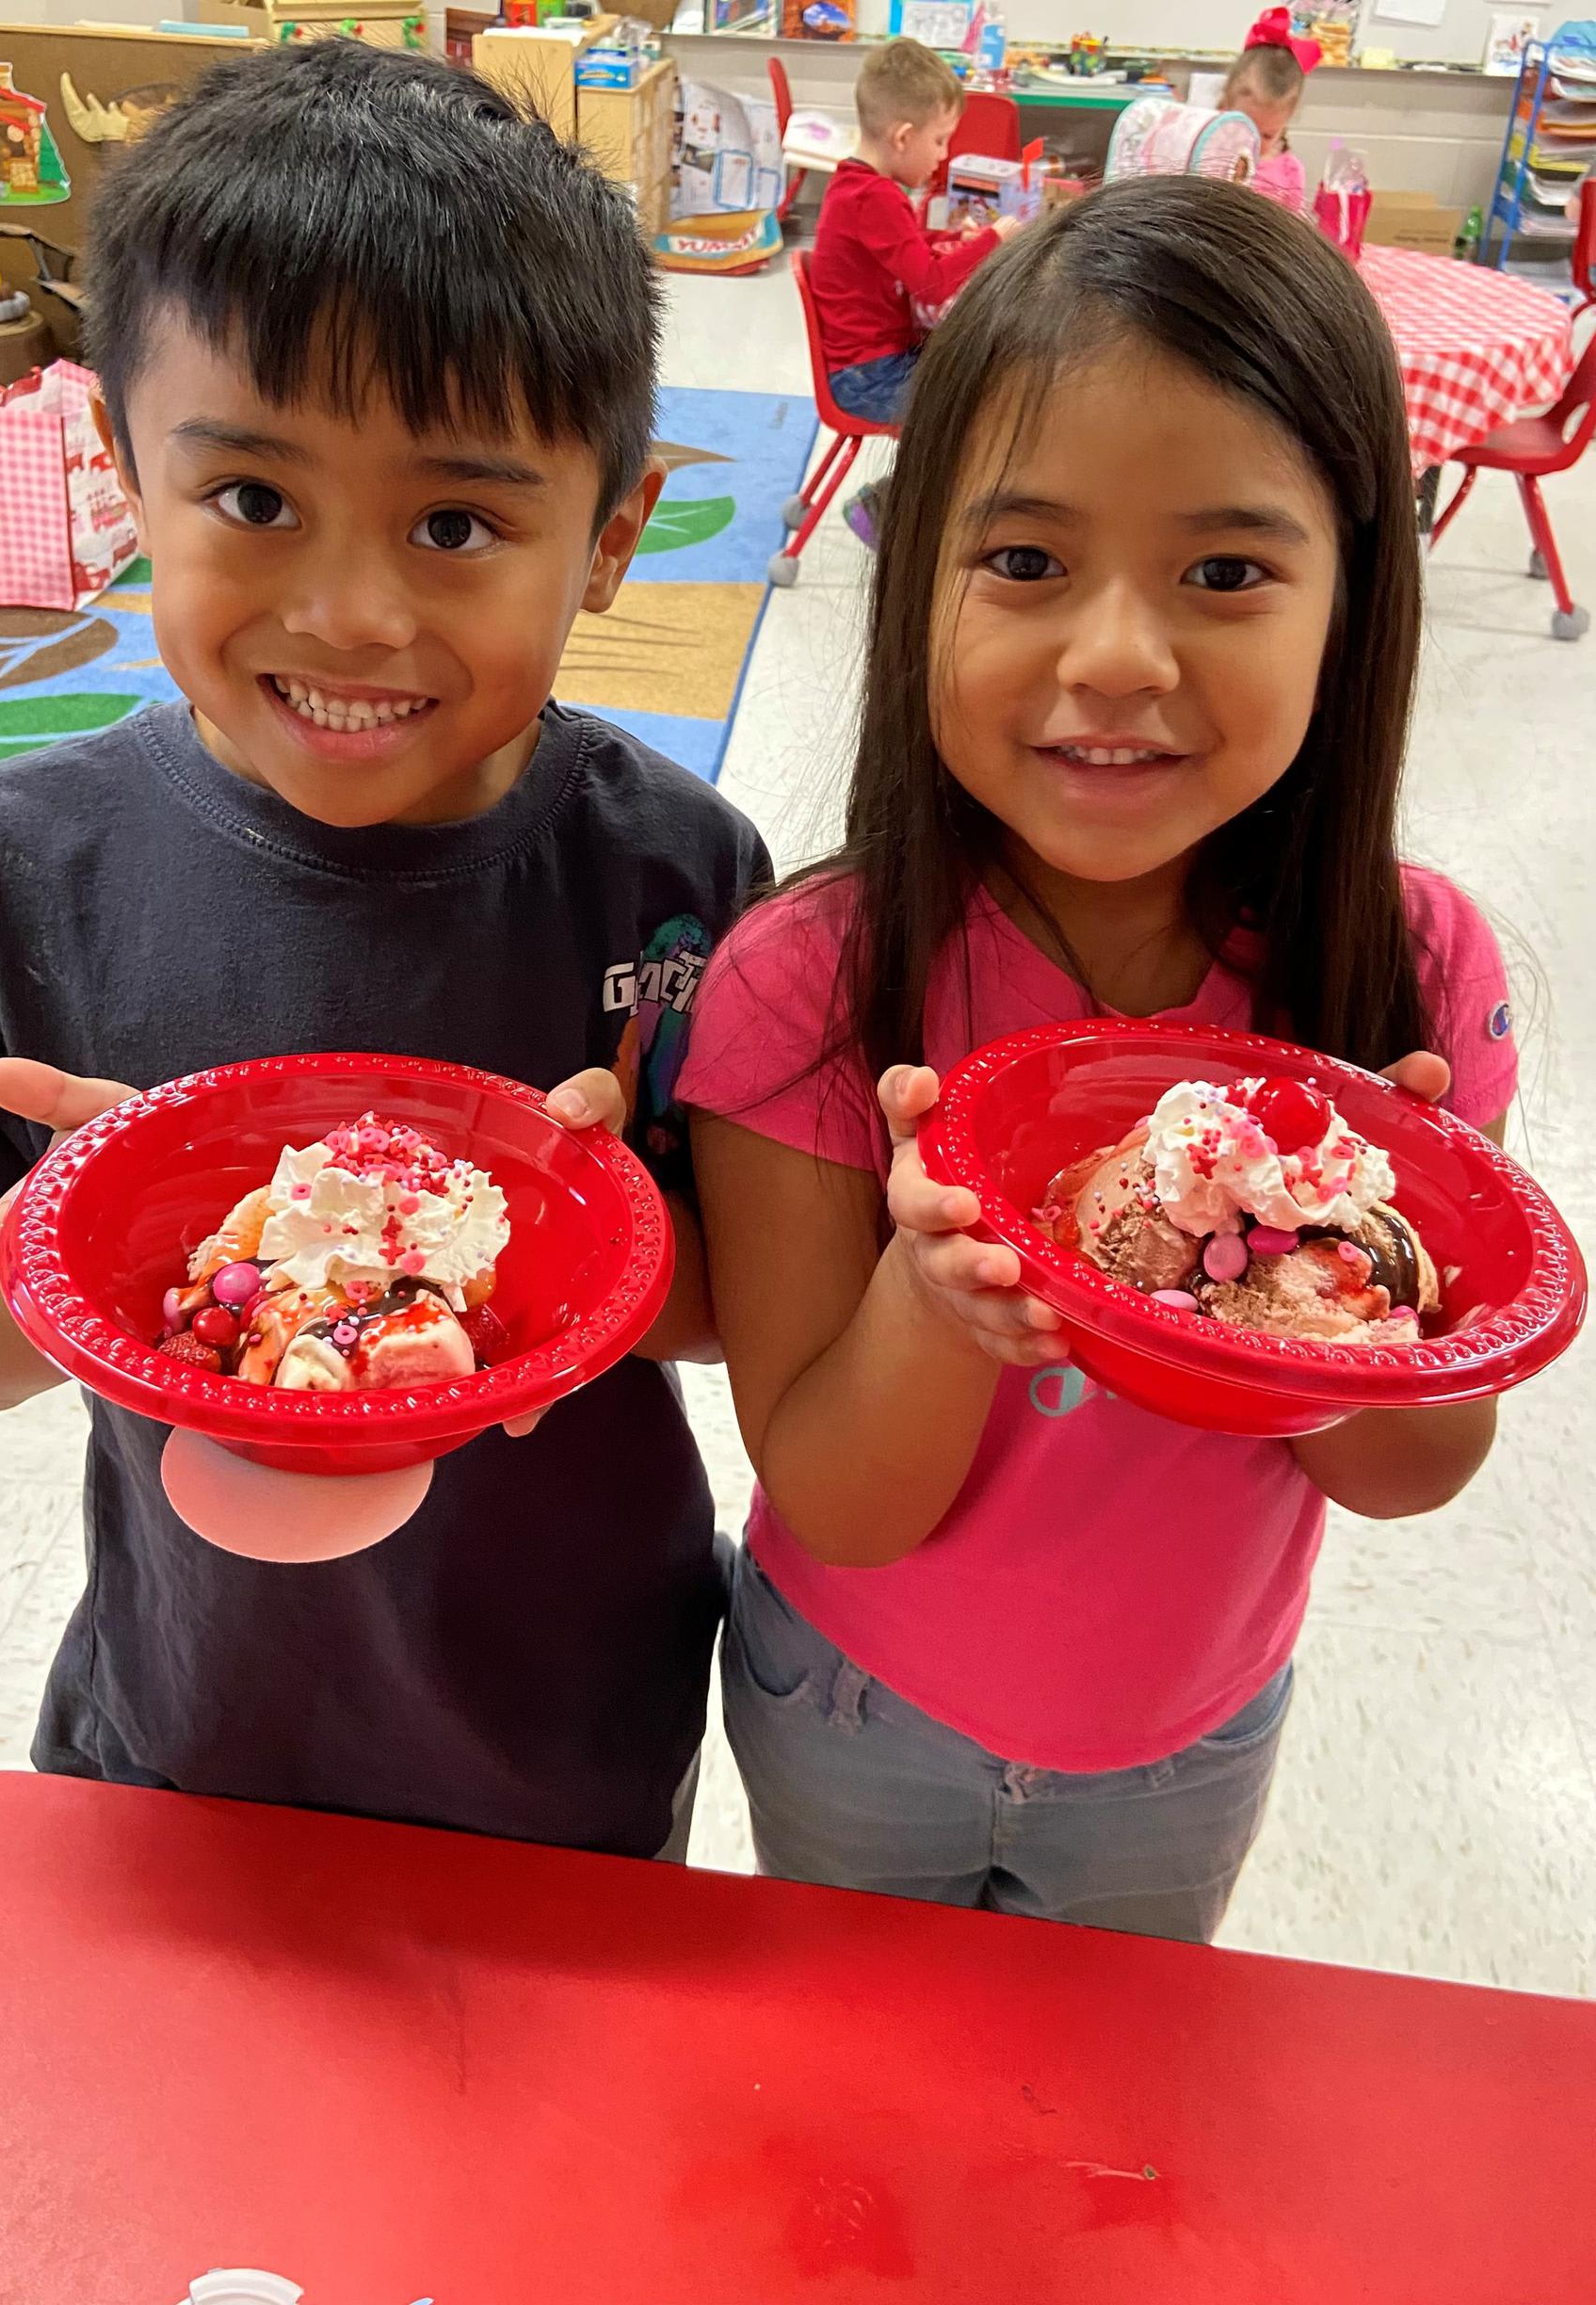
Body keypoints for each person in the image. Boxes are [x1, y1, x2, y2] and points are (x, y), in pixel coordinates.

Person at [0, 43, 770, 1862]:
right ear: (123, 475)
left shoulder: (678, 871)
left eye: (457, 523)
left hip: (564, 1733)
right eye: (254, 500)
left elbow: (745, 1305)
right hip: (189, 1717)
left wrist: (570, 1226)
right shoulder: (8, 871)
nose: (349, 613)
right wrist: (91, 1215)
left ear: (612, 538)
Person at [679, 180, 1518, 1940]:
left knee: (1101, 2085)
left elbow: (1408, 1474)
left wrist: (1381, 1260)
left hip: (1186, 1735)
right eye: (1025, 562)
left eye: (1226, 572)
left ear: (1354, 602)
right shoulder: (810, 979)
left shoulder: (1408, 974)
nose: (1118, 657)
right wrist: (936, 1297)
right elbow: (835, 1497)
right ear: (918, 583)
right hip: (857, 1703)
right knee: (851, 2060)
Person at [812, 38, 1011, 430]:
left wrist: (951, 241)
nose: (943, 154)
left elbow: (903, 248)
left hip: (870, 367)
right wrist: (994, 241)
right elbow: (932, 286)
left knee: (987, 373)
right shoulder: (875, 197)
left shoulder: (856, 186)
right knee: (990, 403)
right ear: (902, 138)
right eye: (939, 140)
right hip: (870, 377)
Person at [1224, 8, 1319, 216]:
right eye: (1245, 127)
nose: (1254, 142)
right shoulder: (1210, 155)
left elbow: (1292, 226)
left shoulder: (1290, 172)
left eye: (1267, 135)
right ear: (1226, 105)